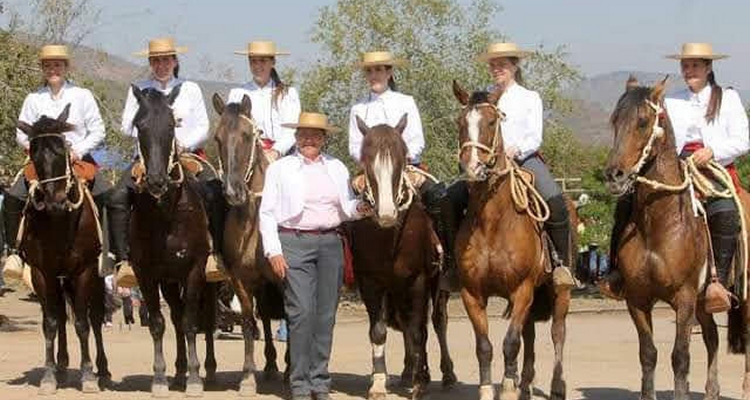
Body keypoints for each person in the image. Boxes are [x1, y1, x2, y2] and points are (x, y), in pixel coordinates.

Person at [602, 43, 749, 313]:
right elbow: (660, 137)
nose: (689, 70)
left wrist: (713, 151)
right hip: (677, 166)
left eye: (695, 65)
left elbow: (743, 140)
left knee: (724, 209)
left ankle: (718, 284)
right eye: (685, 65)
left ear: (708, 67)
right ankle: (617, 273)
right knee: (626, 204)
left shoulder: (727, 98)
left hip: (714, 166)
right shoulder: (670, 101)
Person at [445, 42, 576, 290]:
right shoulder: (482, 98)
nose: (497, 69)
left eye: (502, 64)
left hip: (525, 160)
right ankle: (453, 265)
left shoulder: (529, 97)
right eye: (493, 65)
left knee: (555, 201)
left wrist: (516, 150)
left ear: (515, 66)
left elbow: (535, 136)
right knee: (449, 199)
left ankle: (561, 265)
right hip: (485, 164)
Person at [259, 112, 370, 400]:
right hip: (293, 241)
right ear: (296, 138)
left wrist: (362, 209)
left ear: (324, 139)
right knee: (301, 312)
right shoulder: (280, 169)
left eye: (315, 135)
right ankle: (299, 383)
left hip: (331, 243)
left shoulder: (336, 168)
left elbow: (346, 208)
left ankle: (320, 382)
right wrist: (273, 250)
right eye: (304, 135)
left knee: (325, 315)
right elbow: (267, 212)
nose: (309, 139)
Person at [107, 37, 226, 287]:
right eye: (156, 60)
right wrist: (149, 135)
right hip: (149, 156)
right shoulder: (139, 90)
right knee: (117, 195)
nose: (161, 65)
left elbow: (204, 126)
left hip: (186, 153)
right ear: (151, 63)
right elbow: (126, 126)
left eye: (165, 60)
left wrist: (183, 143)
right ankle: (123, 259)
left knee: (214, 189)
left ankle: (216, 254)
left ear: (174, 61)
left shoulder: (190, 88)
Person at [347, 50, 457, 286]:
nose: (374, 75)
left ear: (389, 72)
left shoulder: (406, 102)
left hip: (406, 167)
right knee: (341, 204)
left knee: (440, 197)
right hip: (371, 170)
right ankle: (349, 265)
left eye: (379, 69)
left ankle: (446, 260)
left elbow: (416, 139)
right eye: (370, 70)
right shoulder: (358, 109)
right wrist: (368, 167)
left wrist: (406, 163)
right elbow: (355, 146)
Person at [2, 44, 110, 283]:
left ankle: (107, 252)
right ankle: (14, 253)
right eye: (48, 65)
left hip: (77, 159)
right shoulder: (33, 99)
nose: (53, 69)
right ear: (42, 69)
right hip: (42, 162)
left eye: (58, 65)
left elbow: (98, 130)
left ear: (66, 67)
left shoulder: (82, 95)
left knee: (106, 193)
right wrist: (33, 148)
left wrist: (78, 150)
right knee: (13, 196)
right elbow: (22, 133)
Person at [228, 41, 301, 161]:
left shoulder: (288, 94)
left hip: (283, 155)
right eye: (253, 61)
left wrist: (276, 151)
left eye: (263, 61)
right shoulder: (237, 93)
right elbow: (232, 129)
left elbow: (291, 129)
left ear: (273, 62)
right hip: (248, 156)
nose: (257, 66)